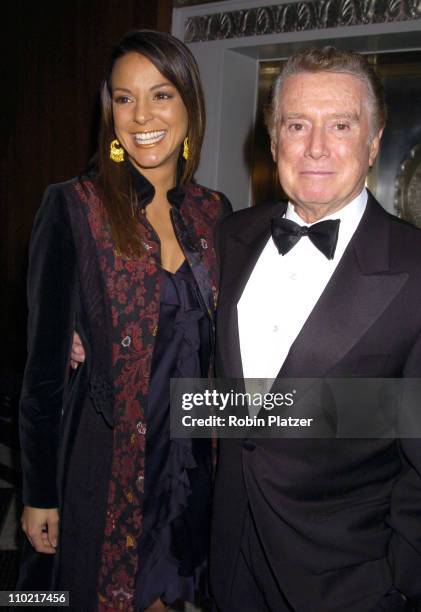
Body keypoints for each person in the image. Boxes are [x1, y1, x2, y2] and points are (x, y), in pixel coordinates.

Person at [18, 29, 231, 611]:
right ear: (108, 109)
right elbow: (41, 373)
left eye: (161, 95)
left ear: (189, 104)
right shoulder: (73, 206)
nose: (141, 116)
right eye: (124, 97)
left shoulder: (216, 213)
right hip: (104, 458)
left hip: (191, 459)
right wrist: (38, 494)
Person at [210, 47, 421, 611]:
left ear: (374, 141)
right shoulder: (229, 238)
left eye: (342, 125)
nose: (317, 148)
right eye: (297, 125)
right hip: (230, 559)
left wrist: (400, 584)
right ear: (273, 140)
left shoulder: (416, 269)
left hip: (350, 582)